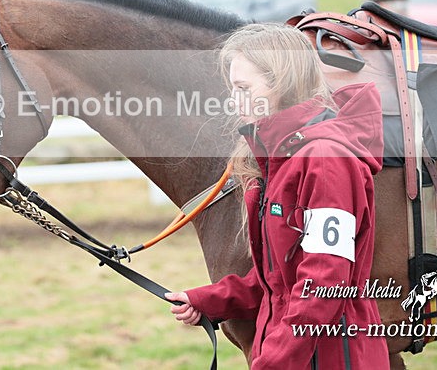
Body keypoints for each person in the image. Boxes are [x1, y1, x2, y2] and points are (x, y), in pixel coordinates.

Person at [166, 23, 389, 369]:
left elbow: (322, 284)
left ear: (282, 84)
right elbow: (279, 280)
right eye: (233, 88)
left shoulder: (325, 160)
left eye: (243, 88)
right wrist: (210, 300)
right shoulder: (281, 159)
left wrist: (273, 363)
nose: (234, 100)